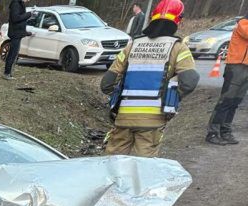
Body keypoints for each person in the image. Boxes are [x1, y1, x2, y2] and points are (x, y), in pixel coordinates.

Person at [100, 0, 199, 157]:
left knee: (113, 163)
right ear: (178, 20)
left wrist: (119, 99)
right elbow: (189, 81)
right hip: (153, 121)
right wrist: (170, 98)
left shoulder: (132, 45)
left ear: (153, 17)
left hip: (123, 118)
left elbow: (106, 84)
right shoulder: (178, 47)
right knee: (144, 168)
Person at [207, 16, 248, 145]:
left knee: (235, 101)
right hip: (236, 66)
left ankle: (225, 131)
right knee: (226, 101)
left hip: (245, 67)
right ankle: (212, 132)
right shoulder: (243, 23)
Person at [4, 0, 31, 79]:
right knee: (12, 54)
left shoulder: (20, 3)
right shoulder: (16, 4)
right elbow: (15, 18)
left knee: (14, 54)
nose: (28, 0)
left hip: (17, 33)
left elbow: (21, 22)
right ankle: (7, 73)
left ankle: (9, 73)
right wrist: (29, 14)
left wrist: (26, 33)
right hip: (15, 34)